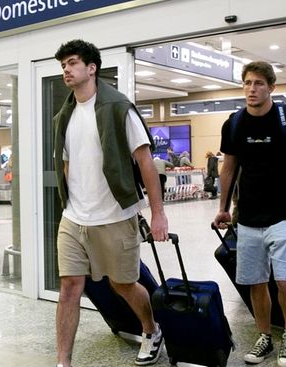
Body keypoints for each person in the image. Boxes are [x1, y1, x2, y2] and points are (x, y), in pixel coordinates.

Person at [53, 39, 169, 367]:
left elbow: (145, 160)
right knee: (70, 287)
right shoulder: (65, 114)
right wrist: (72, 199)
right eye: (63, 65)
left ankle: (151, 329)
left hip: (115, 215)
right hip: (74, 217)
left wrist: (158, 214)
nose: (66, 69)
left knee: (124, 284)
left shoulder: (118, 107)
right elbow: (66, 161)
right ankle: (64, 362)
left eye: (72, 63)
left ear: (91, 68)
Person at [212, 61, 286, 367]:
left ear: (271, 87)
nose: (251, 89)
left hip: (284, 214)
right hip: (248, 217)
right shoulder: (234, 124)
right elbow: (229, 167)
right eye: (247, 83)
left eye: (258, 83)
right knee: (255, 281)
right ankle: (264, 336)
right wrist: (222, 208)